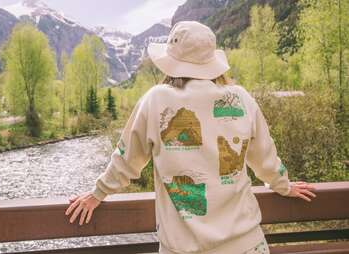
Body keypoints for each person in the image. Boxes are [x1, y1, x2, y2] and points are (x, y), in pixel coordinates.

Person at [65, 21, 317, 254]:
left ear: (171, 63)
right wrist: (283, 185)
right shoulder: (241, 98)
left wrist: (97, 193)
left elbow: (127, 159)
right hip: (248, 244)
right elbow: (265, 157)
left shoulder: (157, 99)